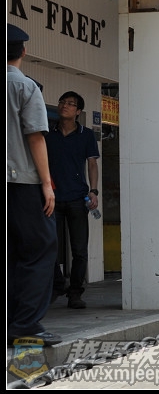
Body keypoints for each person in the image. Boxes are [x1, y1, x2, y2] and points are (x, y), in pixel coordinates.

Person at [7, 23, 61, 346]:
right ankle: (25, 324)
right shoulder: (25, 87)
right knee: (39, 250)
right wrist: (47, 184)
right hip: (22, 183)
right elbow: (36, 137)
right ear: (23, 51)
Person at [47, 91, 100, 309]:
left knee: (79, 250)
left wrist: (94, 191)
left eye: (70, 104)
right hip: (52, 198)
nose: (64, 106)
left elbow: (92, 164)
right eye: (62, 102)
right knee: (49, 245)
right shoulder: (48, 133)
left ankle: (75, 292)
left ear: (78, 112)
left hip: (78, 198)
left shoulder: (86, 135)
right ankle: (57, 284)